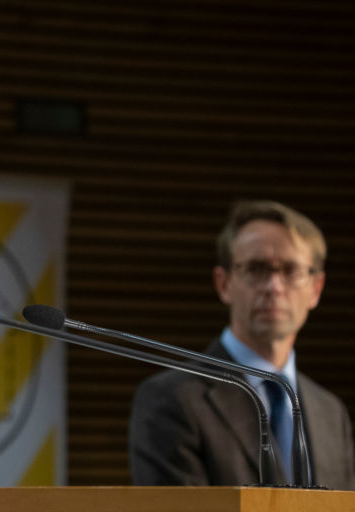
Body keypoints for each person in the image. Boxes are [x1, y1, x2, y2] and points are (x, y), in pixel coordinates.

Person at [130, 200, 355, 489]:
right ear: (223, 283)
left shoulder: (330, 412)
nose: (274, 286)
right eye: (256, 268)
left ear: (316, 289)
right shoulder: (171, 399)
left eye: (290, 270)